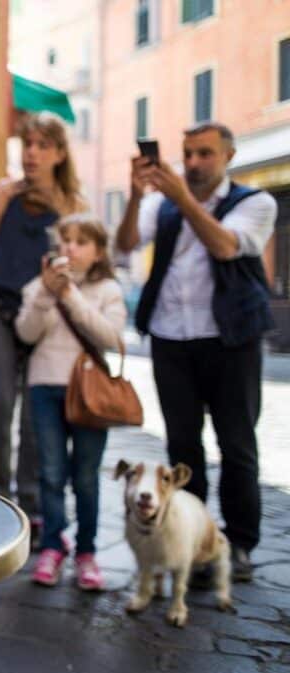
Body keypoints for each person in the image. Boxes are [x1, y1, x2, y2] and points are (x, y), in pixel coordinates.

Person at [115, 121, 276, 582]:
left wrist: (183, 199)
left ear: (227, 155)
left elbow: (226, 246)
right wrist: (133, 195)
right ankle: (194, 534)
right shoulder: (160, 205)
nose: (193, 164)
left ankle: (239, 542)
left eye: (204, 154)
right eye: (187, 154)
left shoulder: (255, 203)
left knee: (237, 445)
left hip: (231, 341)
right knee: (182, 445)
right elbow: (125, 245)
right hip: (170, 338)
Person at [0, 112, 87, 537]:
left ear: (58, 153)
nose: (31, 153)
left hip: (44, 317)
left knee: (36, 418)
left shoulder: (73, 206)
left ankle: (32, 503)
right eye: (27, 144)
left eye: (41, 145)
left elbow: (81, 264)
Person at [15, 215, 126, 589]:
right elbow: (26, 333)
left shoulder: (108, 289)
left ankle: (86, 552)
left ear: (97, 253)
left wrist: (70, 295)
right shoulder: (36, 286)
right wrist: (47, 293)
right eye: (64, 241)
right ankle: (52, 545)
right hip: (45, 386)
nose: (69, 249)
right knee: (50, 473)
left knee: (86, 478)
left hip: (91, 393)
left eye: (80, 242)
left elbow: (111, 337)